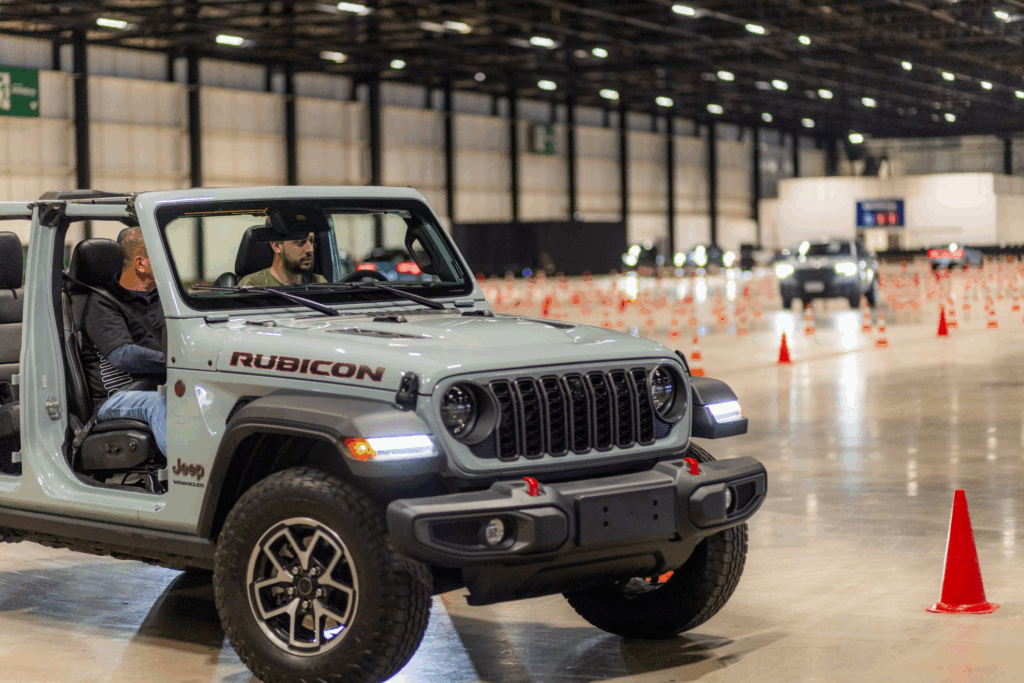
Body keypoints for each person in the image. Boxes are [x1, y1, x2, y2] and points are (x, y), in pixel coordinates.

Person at [80, 227, 168, 456]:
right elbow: (123, 355)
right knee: (161, 405)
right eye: (164, 256)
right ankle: (191, 481)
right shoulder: (102, 301)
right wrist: (174, 361)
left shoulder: (166, 299)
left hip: (163, 387)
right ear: (141, 263)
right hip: (116, 396)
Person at [238, 232, 328, 287]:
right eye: (300, 242)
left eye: (311, 241)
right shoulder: (252, 286)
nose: (310, 249)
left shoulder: (319, 283)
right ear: (277, 246)